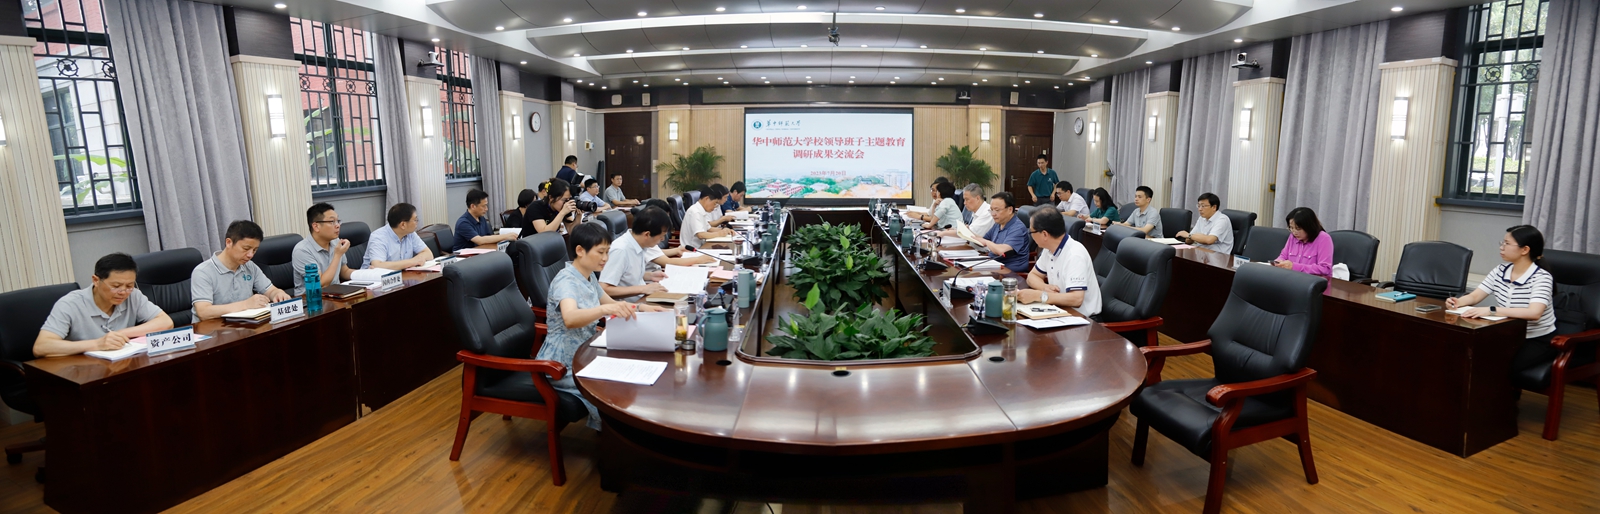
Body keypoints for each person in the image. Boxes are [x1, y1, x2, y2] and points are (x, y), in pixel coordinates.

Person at [538, 223, 667, 431]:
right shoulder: (566, 281)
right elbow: (570, 318)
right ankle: (616, 437)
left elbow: (611, 303)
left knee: (631, 373)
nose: (605, 258)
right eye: (600, 252)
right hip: (562, 362)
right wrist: (603, 310)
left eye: (607, 252)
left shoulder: (588, 276)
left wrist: (642, 307)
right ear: (580, 250)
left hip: (585, 350)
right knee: (614, 389)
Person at [1447, 225, 1556, 381]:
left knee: (1498, 366)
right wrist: (1457, 302)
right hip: (1508, 333)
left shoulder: (1541, 278)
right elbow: (1475, 296)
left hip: (1536, 339)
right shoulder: (1500, 270)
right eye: (1502, 242)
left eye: (1507, 243)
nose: (1501, 247)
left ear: (1525, 250)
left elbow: (1534, 313)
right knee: (1468, 355)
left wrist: (1492, 310)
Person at [33, 253, 174, 358]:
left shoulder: (133, 295)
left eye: (129, 286)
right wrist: (97, 344)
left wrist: (122, 333)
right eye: (116, 286)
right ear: (96, 280)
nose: (123, 292)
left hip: (121, 365)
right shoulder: (70, 304)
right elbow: (41, 347)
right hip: (81, 371)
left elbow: (166, 322)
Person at [192, 220, 293, 321]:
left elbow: (270, 290)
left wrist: (278, 294)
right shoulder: (203, 272)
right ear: (229, 243)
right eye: (246, 248)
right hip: (213, 328)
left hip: (244, 325)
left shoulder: (249, 266)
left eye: (254, 250)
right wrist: (246, 304)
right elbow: (203, 312)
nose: (250, 255)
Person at [1015, 206, 1101, 317]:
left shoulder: (1075, 254)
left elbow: (1076, 299)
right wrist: (1044, 287)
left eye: (1031, 231)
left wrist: (1039, 295)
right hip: (1060, 310)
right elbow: (1032, 276)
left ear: (1045, 234)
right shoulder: (1049, 249)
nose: (1030, 235)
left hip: (1084, 319)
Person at [600, 207, 672, 302]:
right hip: (629, 306)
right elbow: (604, 289)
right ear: (647, 234)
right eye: (661, 236)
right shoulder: (620, 250)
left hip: (642, 299)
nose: (663, 239)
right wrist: (643, 289)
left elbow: (626, 276)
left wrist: (650, 275)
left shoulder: (639, 244)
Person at [293, 203, 356, 297]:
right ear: (316, 227)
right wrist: (337, 255)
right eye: (332, 222)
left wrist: (368, 274)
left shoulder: (335, 241)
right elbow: (321, 284)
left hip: (336, 295)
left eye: (338, 221)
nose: (338, 225)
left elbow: (344, 272)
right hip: (312, 300)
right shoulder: (302, 250)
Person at [971, 192, 1032, 273]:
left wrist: (986, 242)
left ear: (1010, 210)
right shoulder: (998, 223)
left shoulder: (1018, 228)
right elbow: (982, 241)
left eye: (997, 210)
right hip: (994, 264)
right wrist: (968, 233)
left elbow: (1002, 251)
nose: (993, 214)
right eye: (991, 210)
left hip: (1009, 271)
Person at [363, 203, 434, 270]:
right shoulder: (379, 237)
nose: (417, 222)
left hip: (401, 275)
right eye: (415, 220)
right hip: (373, 278)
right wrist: (412, 262)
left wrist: (415, 260)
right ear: (403, 225)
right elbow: (377, 266)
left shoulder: (410, 233)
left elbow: (429, 254)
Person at [1271, 207, 1334, 280]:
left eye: (1298, 229)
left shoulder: (1323, 238)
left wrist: (1294, 267)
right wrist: (1279, 262)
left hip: (1314, 282)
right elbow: (1283, 256)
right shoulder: (1292, 236)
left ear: (1309, 227)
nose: (1294, 232)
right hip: (1292, 280)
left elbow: (1325, 269)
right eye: (1291, 228)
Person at [454, 189, 518, 251]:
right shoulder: (463, 223)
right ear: (473, 206)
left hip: (482, 251)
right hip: (464, 256)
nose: (486, 209)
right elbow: (479, 240)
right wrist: (505, 236)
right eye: (483, 206)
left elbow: (488, 237)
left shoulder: (481, 218)